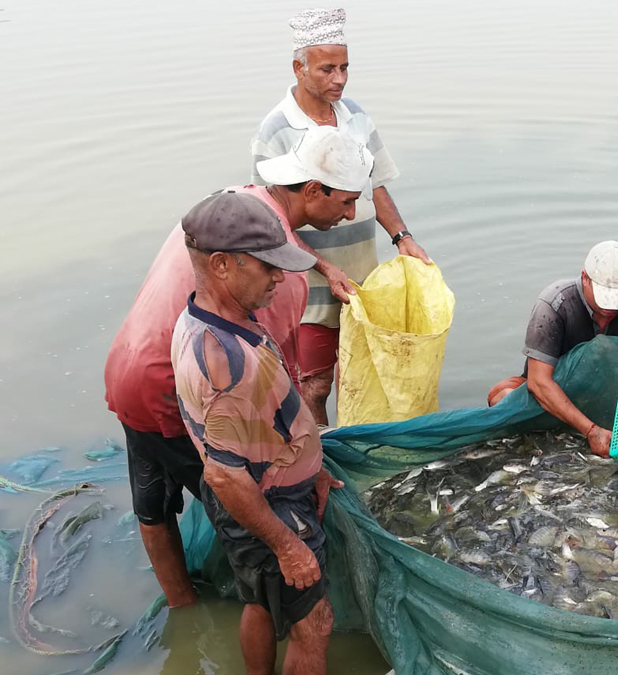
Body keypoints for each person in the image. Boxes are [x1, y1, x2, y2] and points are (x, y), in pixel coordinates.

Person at [103, 127, 371, 608]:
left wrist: (324, 266)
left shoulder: (236, 205)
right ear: (312, 191)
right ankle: (257, 600)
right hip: (180, 393)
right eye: (347, 201)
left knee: (153, 505)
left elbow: (281, 242)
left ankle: (183, 612)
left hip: (131, 365)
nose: (351, 214)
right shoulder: (277, 285)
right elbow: (277, 392)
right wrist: (311, 469)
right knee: (246, 511)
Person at [172, 191, 344, 675]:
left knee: (260, 601)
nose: (279, 276)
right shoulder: (223, 363)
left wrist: (313, 467)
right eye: (267, 266)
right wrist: (288, 546)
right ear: (222, 265)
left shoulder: (202, 316)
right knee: (316, 624)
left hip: (263, 494)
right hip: (269, 507)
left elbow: (260, 425)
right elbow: (225, 477)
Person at [251, 7, 431, 425]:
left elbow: (378, 184)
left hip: (362, 279)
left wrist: (402, 237)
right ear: (299, 68)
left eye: (345, 67)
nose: (339, 79)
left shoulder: (356, 117)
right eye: (327, 69)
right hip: (309, 287)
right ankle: (321, 457)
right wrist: (325, 268)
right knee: (314, 385)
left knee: (367, 374)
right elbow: (269, 220)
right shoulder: (275, 131)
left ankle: (360, 442)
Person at [487, 241, 618, 457]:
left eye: (617, 299)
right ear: (585, 278)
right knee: (499, 397)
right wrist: (591, 430)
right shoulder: (555, 303)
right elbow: (538, 382)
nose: (610, 307)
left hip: (613, 398)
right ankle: (574, 424)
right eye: (604, 296)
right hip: (558, 394)